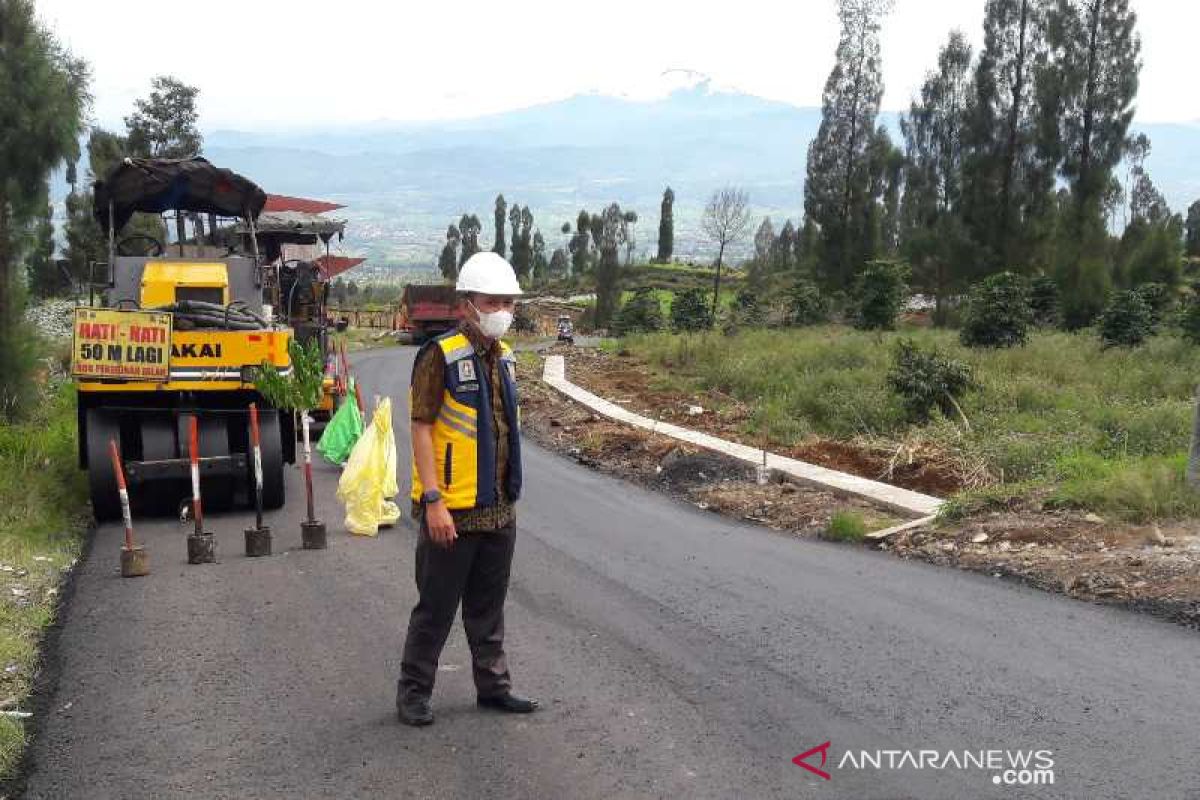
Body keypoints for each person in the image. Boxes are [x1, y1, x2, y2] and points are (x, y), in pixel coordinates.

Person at [397, 251, 538, 727]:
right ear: (466, 306)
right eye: (493, 301)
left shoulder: (508, 359)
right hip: (451, 512)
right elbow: (420, 427)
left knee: (488, 609)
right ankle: (413, 693)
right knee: (435, 610)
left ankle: (494, 688)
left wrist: (509, 502)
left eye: (509, 303)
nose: (502, 311)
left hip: (499, 512)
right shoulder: (438, 355)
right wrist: (431, 500)